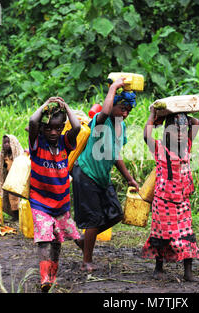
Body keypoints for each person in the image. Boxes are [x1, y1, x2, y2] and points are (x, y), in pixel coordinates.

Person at [72, 77, 139, 272]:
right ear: (113, 106)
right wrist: (114, 87)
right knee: (93, 219)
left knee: (115, 213)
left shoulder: (121, 127)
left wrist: (130, 179)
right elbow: (106, 111)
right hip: (86, 173)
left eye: (128, 110)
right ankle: (86, 261)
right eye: (122, 108)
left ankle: (85, 239)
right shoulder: (100, 121)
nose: (125, 113)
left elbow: (116, 155)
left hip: (101, 177)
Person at [141, 107, 199, 282]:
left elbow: (196, 123)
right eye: (175, 131)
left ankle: (188, 273)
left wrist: (182, 114)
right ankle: (158, 268)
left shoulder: (187, 146)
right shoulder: (160, 148)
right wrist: (153, 116)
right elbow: (146, 136)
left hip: (182, 201)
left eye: (183, 131)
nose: (180, 135)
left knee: (186, 235)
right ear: (166, 132)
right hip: (163, 202)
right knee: (161, 236)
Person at [28, 96, 82, 292]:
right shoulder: (37, 143)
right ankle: (45, 278)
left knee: (58, 241)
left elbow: (76, 128)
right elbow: (33, 121)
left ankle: (53, 274)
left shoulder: (65, 142)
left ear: (62, 128)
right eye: (49, 128)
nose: (53, 132)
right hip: (40, 202)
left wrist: (66, 106)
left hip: (61, 204)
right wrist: (45, 105)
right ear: (42, 129)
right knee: (44, 239)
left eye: (57, 128)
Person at [0, 134, 24, 220]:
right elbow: (0, 167)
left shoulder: (19, 154)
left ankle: (21, 215)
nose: (6, 145)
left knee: (18, 198)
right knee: (11, 198)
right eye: (4, 143)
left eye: (8, 142)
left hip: (18, 180)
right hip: (10, 180)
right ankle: (15, 215)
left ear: (13, 144)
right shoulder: (4, 156)